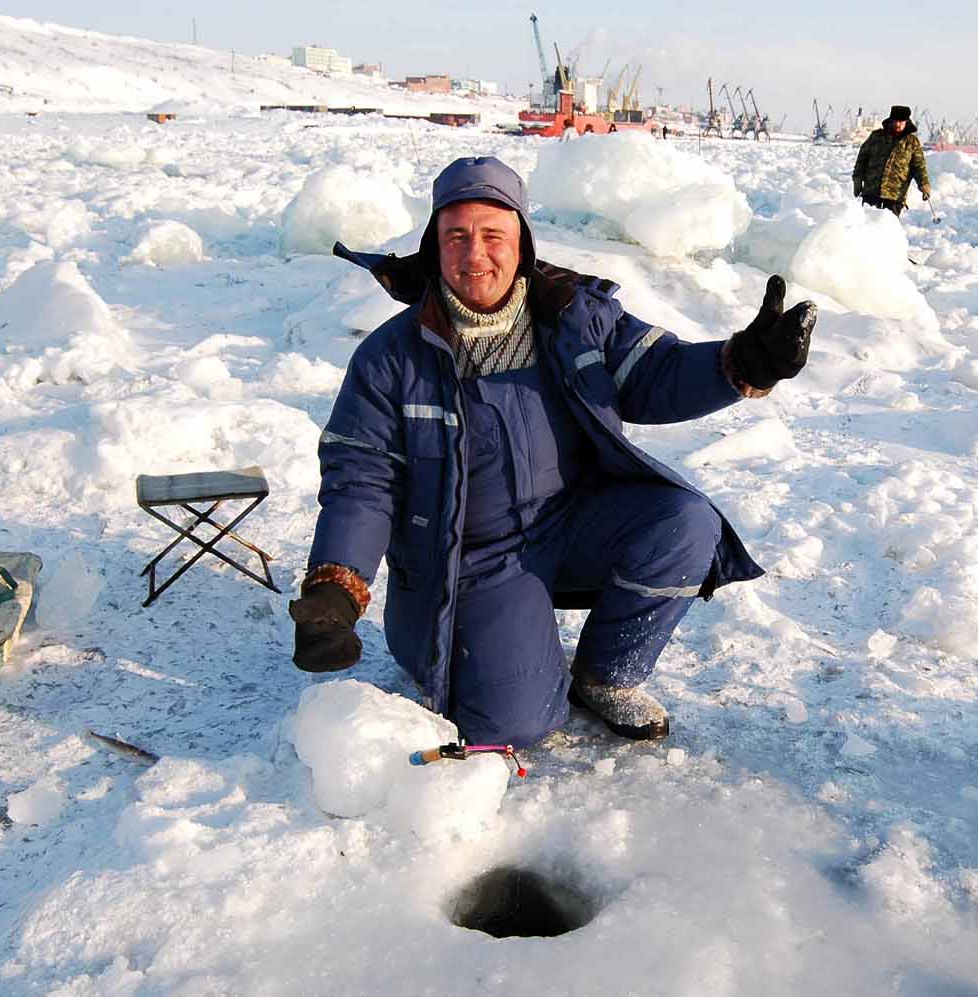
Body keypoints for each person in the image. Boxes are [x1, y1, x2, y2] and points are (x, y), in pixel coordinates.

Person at [288, 156, 817, 748]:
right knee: (517, 725)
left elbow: (657, 372)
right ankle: (478, 647)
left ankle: (605, 676)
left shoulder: (575, 319)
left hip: (571, 523)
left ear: (524, 244)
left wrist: (743, 363)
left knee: (686, 523)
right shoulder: (391, 358)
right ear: (433, 246)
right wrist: (337, 585)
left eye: (494, 235)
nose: (475, 255)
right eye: (456, 236)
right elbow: (361, 479)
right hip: (473, 558)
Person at [853, 104, 931, 218]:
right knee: (866, 227)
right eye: (895, 121)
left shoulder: (912, 143)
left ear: (906, 122)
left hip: (894, 196)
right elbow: (862, 159)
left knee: (888, 230)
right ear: (890, 120)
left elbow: (919, 166)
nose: (898, 124)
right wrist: (857, 179)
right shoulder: (876, 137)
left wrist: (924, 185)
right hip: (871, 192)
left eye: (901, 122)